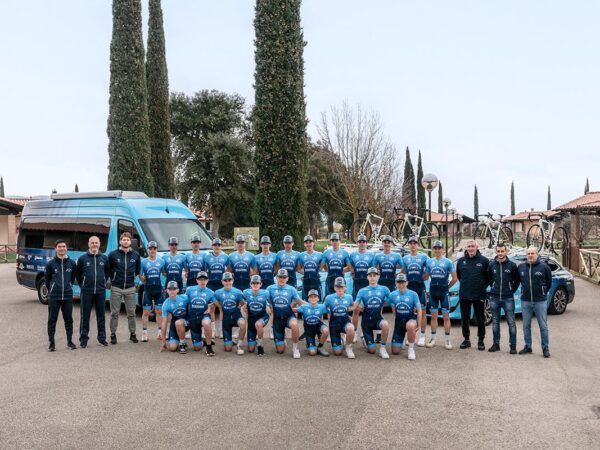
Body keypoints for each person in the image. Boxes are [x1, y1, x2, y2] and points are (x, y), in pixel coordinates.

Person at [517, 247, 553, 358]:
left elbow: (549, 282)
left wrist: (542, 292)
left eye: (532, 253)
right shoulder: (521, 267)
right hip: (526, 301)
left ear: (537, 254)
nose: (530, 255)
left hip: (540, 301)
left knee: (543, 326)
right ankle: (528, 346)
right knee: (526, 325)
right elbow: (518, 281)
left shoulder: (544, 267)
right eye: (528, 253)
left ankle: (545, 348)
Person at [76, 235, 109, 348]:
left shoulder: (104, 258)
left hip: (100, 291)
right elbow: (78, 275)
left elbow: (107, 273)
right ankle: (83, 340)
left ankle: (102, 339)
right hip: (86, 291)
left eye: (96, 243)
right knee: (85, 316)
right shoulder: (82, 258)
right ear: (89, 244)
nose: (94, 244)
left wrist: (102, 283)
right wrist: (83, 285)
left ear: (99, 244)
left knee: (101, 316)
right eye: (92, 243)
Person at [456, 239, 490, 350]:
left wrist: (481, 287)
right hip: (464, 295)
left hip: (478, 295)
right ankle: (466, 340)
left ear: (476, 247)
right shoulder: (461, 261)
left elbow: (488, 278)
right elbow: (459, 276)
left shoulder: (484, 261)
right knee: (465, 319)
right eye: (469, 246)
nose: (470, 248)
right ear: (466, 248)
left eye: (472, 246)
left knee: (480, 319)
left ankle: (481, 341)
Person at [108, 232, 141, 345]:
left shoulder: (136, 255)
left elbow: (137, 270)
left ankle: (133, 334)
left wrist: (131, 278)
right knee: (114, 313)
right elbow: (108, 270)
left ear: (130, 242)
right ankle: (113, 334)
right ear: (120, 241)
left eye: (128, 240)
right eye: (124, 240)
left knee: (131, 313)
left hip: (130, 288)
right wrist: (114, 279)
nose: (126, 241)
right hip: (116, 287)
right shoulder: (113, 255)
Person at [45, 239, 78, 351]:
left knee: (68, 320)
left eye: (64, 246)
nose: (62, 248)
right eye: (59, 246)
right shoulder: (50, 264)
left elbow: (72, 278)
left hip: (67, 296)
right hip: (54, 297)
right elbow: (47, 280)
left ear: (66, 248)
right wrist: (53, 289)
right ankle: (51, 343)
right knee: (52, 320)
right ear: (55, 249)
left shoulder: (72, 263)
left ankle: (70, 342)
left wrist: (68, 286)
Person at [487, 243, 520, 354]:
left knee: (511, 322)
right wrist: (494, 287)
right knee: (495, 322)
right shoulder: (491, 265)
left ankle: (513, 346)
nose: (500, 253)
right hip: (494, 297)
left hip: (508, 298)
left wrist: (510, 290)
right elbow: (489, 279)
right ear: (496, 252)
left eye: (502, 251)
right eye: (498, 251)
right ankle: (496, 344)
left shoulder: (512, 265)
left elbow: (516, 280)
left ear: (506, 252)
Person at [424, 240, 457, 349]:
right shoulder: (429, 262)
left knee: (446, 317)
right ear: (433, 249)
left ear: (443, 249)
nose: (437, 250)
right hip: (433, 292)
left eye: (439, 248)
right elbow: (426, 276)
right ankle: (433, 339)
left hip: (444, 293)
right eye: (435, 248)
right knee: (434, 317)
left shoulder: (448, 262)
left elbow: (455, 278)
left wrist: (447, 288)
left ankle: (447, 341)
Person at [266, 268, 302, 358]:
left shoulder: (291, 289)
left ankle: (295, 348)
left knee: (295, 325)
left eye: (284, 277)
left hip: (288, 316)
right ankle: (282, 337)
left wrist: (312, 305)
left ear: (287, 278)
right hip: (277, 320)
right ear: (276, 278)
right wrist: (268, 306)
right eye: (280, 277)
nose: (282, 279)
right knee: (280, 351)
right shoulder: (270, 288)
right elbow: (265, 300)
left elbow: (299, 301)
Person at [355, 267, 391, 359]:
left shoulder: (384, 289)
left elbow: (391, 300)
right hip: (366, 323)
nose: (372, 278)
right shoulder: (362, 291)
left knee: (385, 324)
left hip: (378, 320)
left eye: (374, 275)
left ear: (378, 277)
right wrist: (360, 307)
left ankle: (383, 348)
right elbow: (356, 305)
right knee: (372, 351)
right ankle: (364, 338)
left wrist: (384, 302)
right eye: (370, 276)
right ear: (367, 277)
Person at [402, 236, 429, 347]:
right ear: (408, 245)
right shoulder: (405, 258)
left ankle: (422, 336)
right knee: (408, 312)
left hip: (420, 287)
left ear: (418, 245)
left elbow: (428, 271)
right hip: (409, 288)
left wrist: (425, 276)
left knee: (422, 312)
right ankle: (409, 336)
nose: (413, 245)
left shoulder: (423, 257)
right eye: (411, 243)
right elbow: (403, 272)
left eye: (415, 243)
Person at [388, 273, 420, 360]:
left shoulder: (413, 294)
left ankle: (411, 349)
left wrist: (419, 324)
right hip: (399, 323)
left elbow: (419, 310)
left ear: (407, 283)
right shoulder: (392, 294)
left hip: (410, 319)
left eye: (403, 282)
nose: (401, 284)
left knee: (410, 326)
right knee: (395, 352)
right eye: (399, 282)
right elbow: (389, 305)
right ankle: (401, 339)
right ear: (396, 283)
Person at [323, 277, 357, 358]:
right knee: (338, 353)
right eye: (337, 287)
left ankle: (349, 348)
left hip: (345, 322)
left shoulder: (349, 297)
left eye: (342, 287)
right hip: (334, 325)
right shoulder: (329, 298)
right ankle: (341, 340)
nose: (340, 289)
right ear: (334, 288)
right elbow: (323, 308)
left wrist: (348, 310)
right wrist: (329, 311)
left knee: (351, 328)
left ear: (345, 287)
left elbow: (352, 306)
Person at [214, 272, 246, 355]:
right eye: (225, 280)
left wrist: (241, 306)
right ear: (222, 281)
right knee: (228, 349)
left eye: (229, 280)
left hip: (236, 316)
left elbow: (243, 303)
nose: (227, 282)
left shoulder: (238, 292)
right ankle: (231, 340)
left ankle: (239, 345)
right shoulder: (217, 292)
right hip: (226, 319)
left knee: (243, 324)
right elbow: (215, 304)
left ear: (233, 280)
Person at [140, 241, 166, 342]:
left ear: (156, 250)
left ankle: (160, 332)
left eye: (154, 248)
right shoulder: (143, 262)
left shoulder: (161, 261)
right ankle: (144, 332)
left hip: (158, 288)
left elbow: (164, 273)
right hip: (148, 289)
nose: (152, 250)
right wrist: (142, 279)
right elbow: (140, 274)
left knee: (159, 311)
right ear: (147, 250)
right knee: (146, 312)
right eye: (150, 248)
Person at [348, 234, 374, 335]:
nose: (362, 243)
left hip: (367, 285)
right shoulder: (352, 255)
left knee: (369, 309)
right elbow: (351, 268)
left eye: (363, 242)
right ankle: (353, 333)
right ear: (357, 243)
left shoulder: (371, 255)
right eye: (360, 242)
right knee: (356, 310)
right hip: (357, 284)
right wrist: (351, 273)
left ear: (366, 243)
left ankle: (367, 332)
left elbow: (373, 270)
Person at [186, 271, 216, 356]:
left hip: (204, 315)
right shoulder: (189, 290)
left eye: (204, 279)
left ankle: (209, 347)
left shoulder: (211, 292)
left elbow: (214, 303)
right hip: (193, 318)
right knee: (197, 348)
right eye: (200, 279)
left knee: (206, 323)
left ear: (207, 280)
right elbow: (185, 302)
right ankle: (203, 342)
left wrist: (210, 307)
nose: (202, 281)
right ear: (197, 280)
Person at [204, 238, 230, 338]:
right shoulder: (207, 257)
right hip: (211, 284)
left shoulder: (226, 257)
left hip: (221, 284)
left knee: (222, 307)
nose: (217, 247)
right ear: (212, 246)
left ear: (221, 246)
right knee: (212, 307)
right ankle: (213, 330)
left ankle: (222, 330)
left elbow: (229, 269)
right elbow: (204, 270)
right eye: (215, 245)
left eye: (219, 245)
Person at [294, 290, 330, 356]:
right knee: (312, 353)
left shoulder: (322, 306)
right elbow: (294, 310)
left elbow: (332, 310)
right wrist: (289, 305)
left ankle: (320, 347)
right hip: (309, 331)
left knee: (326, 330)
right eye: (311, 297)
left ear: (318, 298)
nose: (313, 298)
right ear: (308, 299)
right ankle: (309, 343)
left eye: (315, 297)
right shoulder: (304, 306)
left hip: (318, 326)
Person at [242, 274, 271, 356]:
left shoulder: (265, 293)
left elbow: (271, 303)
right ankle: (253, 340)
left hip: (263, 317)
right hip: (251, 320)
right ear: (250, 284)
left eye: (257, 283)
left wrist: (269, 306)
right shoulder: (246, 292)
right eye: (253, 283)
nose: (255, 285)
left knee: (258, 324)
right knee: (250, 350)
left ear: (260, 284)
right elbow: (241, 301)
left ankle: (260, 345)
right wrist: (244, 305)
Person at [159, 281, 189, 354]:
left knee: (198, 347)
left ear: (178, 290)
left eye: (174, 289)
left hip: (188, 321)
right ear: (166, 290)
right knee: (172, 348)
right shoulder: (166, 304)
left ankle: (182, 343)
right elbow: (164, 323)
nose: (172, 291)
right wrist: (163, 341)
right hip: (175, 324)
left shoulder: (185, 298)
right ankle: (179, 339)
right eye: (170, 289)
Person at [298, 235, 324, 300]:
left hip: (316, 281)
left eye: (310, 242)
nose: (308, 244)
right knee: (305, 301)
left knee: (318, 301)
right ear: (304, 244)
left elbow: (324, 267)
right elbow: (299, 269)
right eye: (306, 242)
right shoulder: (301, 255)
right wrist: (307, 273)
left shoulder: (320, 255)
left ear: (313, 243)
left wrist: (316, 272)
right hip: (306, 282)